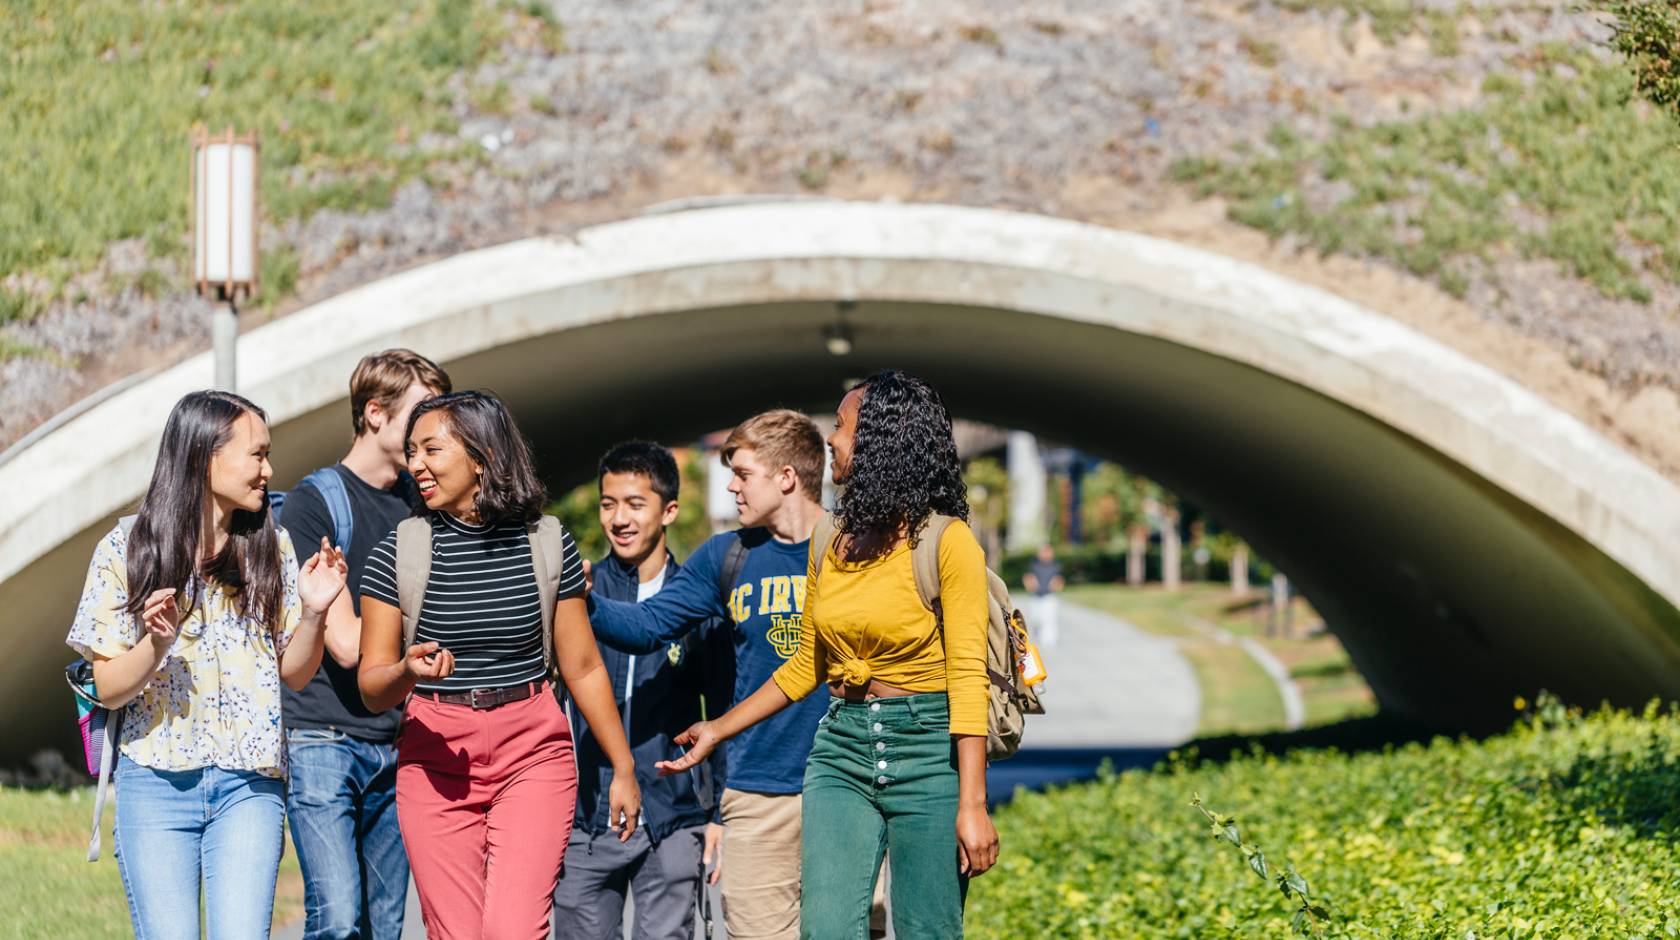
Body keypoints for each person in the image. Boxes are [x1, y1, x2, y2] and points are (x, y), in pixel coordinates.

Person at [660, 371, 1000, 938]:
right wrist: (719, 729)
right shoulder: (831, 538)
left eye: (841, 427)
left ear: (880, 441)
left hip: (928, 752)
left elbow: (968, 679)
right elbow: (808, 663)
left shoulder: (947, 541)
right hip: (841, 749)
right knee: (827, 929)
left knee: (926, 928)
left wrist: (973, 804)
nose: (831, 441)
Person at [356, 390, 641, 939]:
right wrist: (407, 672)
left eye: (431, 450)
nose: (415, 464)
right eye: (411, 451)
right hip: (435, 753)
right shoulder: (400, 550)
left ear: (481, 457)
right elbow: (373, 687)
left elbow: (582, 667)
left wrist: (622, 767)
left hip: (533, 750)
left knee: (514, 929)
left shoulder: (548, 541)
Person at [66, 389, 347, 939]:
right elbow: (106, 687)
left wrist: (314, 613)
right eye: (257, 454)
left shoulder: (275, 547)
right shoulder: (126, 550)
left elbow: (295, 672)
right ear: (204, 457)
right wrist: (154, 644)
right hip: (155, 787)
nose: (269, 469)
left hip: (250, 787)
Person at [583, 410, 837, 940]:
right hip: (757, 791)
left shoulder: (850, 549)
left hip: (845, 785)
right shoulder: (728, 555)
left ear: (786, 477)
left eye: (742, 474)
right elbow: (649, 625)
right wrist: (583, 598)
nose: (731, 486)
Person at [277, 349, 451, 940]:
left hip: (400, 740)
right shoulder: (316, 502)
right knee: (338, 921)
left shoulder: (421, 505)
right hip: (323, 739)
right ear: (375, 414)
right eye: (420, 413)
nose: (433, 429)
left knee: (384, 925)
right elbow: (349, 645)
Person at [552, 441, 731, 939]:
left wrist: (716, 814)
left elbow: (720, 710)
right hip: (586, 820)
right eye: (608, 503)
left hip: (671, 820)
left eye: (635, 504)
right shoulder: (579, 593)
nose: (618, 518)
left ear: (669, 510)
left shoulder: (696, 600)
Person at [1022, 543, 1065, 648]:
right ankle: (1039, 639)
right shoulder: (1033, 566)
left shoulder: (1056, 566)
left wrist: (1056, 585)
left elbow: (1060, 580)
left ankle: (1049, 643)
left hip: (1049, 597)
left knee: (1050, 620)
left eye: (1048, 551)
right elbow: (1027, 577)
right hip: (1036, 597)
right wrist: (1030, 584)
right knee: (1035, 619)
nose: (1045, 554)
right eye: (1043, 551)